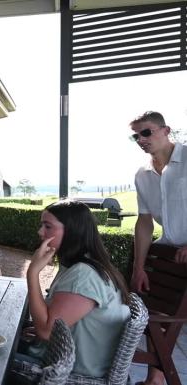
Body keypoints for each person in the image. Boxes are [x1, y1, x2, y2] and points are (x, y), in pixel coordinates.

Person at [20, 200, 130, 378]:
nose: (40, 232)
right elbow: (52, 321)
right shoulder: (80, 265)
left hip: (69, 373)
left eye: (48, 226)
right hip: (61, 360)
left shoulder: (83, 276)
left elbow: (46, 332)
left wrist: (32, 273)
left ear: (72, 231)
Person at [129, 111, 187, 385]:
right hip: (167, 255)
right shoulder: (142, 175)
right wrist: (139, 267)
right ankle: (155, 377)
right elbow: (144, 223)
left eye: (147, 132)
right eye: (136, 135)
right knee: (152, 311)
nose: (141, 139)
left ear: (166, 130)